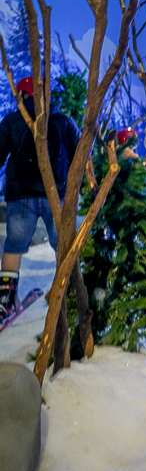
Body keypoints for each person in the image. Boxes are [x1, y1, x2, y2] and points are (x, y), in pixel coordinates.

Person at [0, 76, 79, 321]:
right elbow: (80, 152)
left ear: (23, 96)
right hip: (56, 195)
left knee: (14, 246)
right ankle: (69, 291)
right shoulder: (62, 120)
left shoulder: (12, 121)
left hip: (20, 196)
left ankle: (5, 299)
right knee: (63, 245)